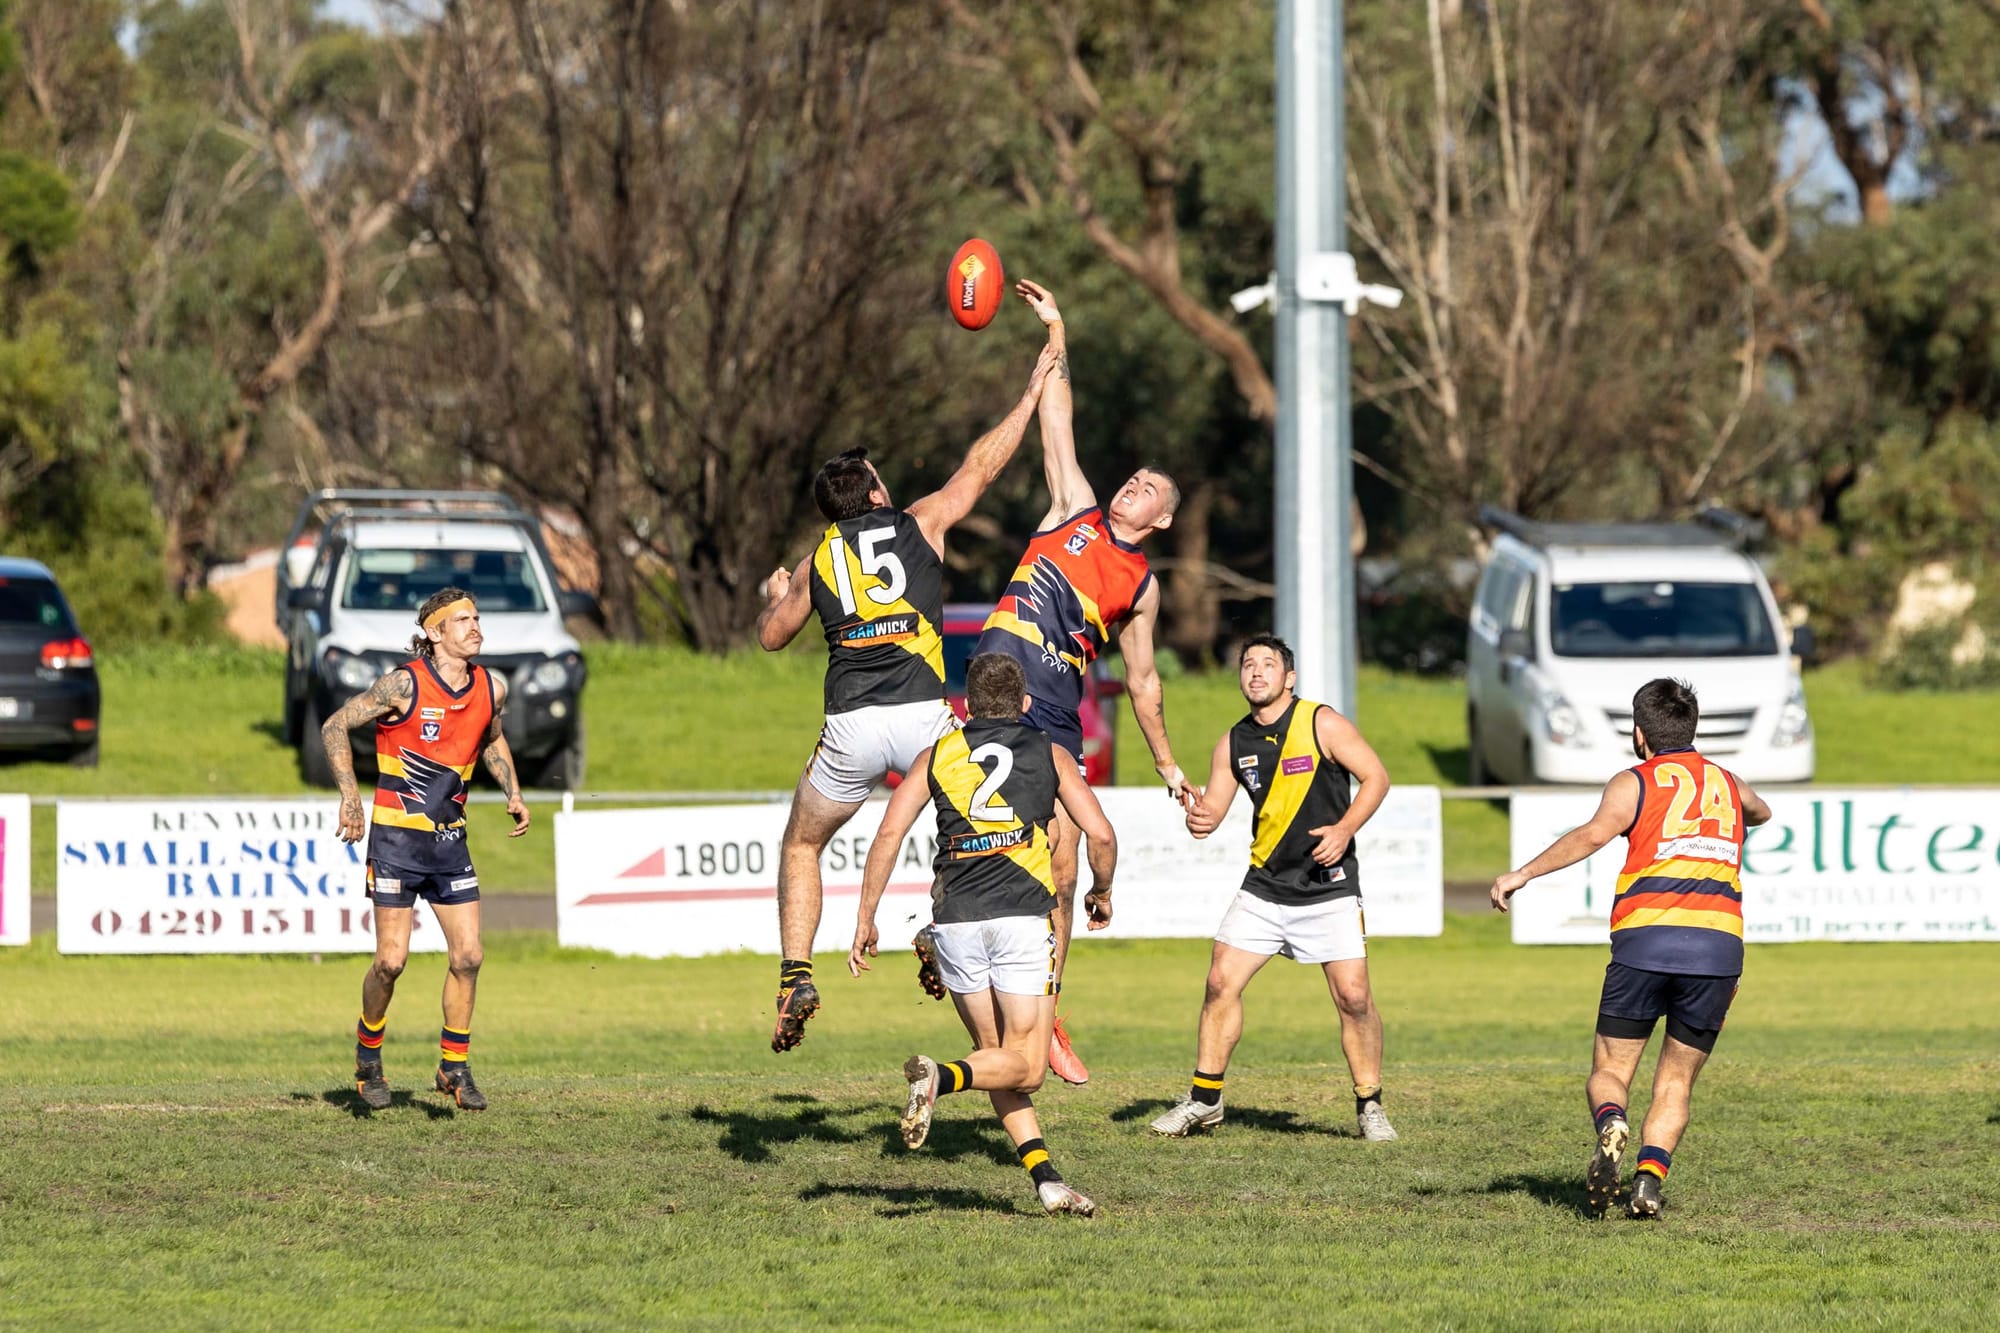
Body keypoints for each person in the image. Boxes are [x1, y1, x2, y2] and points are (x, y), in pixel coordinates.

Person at [757, 332, 1061, 1053]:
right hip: (927, 716)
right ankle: (936, 925)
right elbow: (980, 468)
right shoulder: (920, 522)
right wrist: (1029, 393)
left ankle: (796, 973)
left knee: (803, 842)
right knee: (959, 828)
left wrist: (778, 593)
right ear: (877, 493)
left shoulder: (818, 556)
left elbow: (772, 637)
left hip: (853, 725)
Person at [968, 280, 1189, 1086]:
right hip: (995, 689)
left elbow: (1144, 680)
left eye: (1148, 490)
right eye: (1132, 478)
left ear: (1161, 519)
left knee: (1061, 867)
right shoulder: (1074, 508)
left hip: (1057, 714)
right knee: (974, 823)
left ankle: (1049, 1009)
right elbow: (1056, 420)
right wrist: (1058, 329)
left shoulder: (1142, 585)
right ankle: (944, 940)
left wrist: (1165, 761)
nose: (1132, 486)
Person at [1491, 677, 1771, 1219]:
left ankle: (1612, 1121)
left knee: (1611, 1068)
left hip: (1646, 943)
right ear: (1693, 729)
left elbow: (1593, 835)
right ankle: (1647, 1181)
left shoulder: (1634, 782)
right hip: (1717, 950)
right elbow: (1761, 812)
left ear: (1639, 734)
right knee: (1676, 1079)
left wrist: (1522, 874)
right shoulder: (1730, 784)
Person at [849, 653, 1117, 1216]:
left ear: (965, 707)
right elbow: (1101, 835)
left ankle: (1046, 1181)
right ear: (1025, 705)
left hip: (954, 924)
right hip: (1022, 919)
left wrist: (865, 917)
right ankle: (941, 1077)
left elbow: (889, 833)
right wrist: (1101, 893)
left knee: (998, 1058)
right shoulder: (1052, 752)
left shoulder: (937, 754)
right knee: (1030, 1067)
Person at [1148, 634, 1399, 1143]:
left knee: (1353, 998)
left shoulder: (1321, 722)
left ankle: (1369, 1105)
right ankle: (1204, 1100)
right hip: (1263, 888)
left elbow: (1376, 777)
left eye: (1268, 664)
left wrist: (1344, 829)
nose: (1256, 672)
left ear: (1289, 678)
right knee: (1220, 982)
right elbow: (1212, 815)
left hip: (1327, 887)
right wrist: (1199, 814)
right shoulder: (1233, 742)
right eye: (1247, 664)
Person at [322, 587, 531, 1112]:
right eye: (463, 620)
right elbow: (334, 726)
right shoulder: (403, 684)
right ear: (435, 633)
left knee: (470, 956)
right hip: (395, 844)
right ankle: (368, 1058)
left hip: (448, 845)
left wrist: (513, 791)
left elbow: (491, 738)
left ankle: (453, 1067)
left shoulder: (492, 688)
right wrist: (351, 798)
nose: (475, 626)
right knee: (391, 962)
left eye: (478, 617)